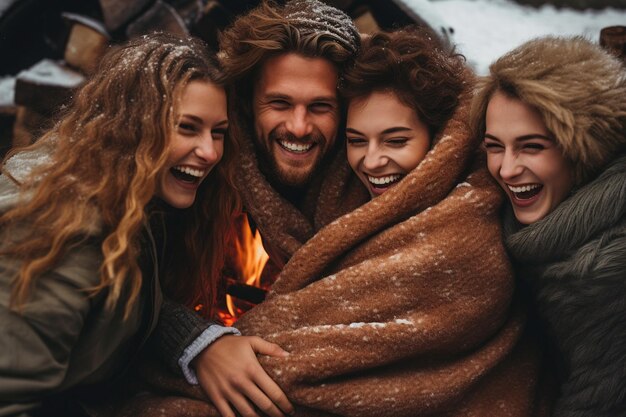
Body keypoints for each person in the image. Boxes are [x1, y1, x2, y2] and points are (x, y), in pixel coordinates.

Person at [0, 32, 289, 417]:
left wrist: (194, 341)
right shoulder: (63, 232)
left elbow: (118, 297)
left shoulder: (120, 193)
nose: (209, 152)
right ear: (132, 126)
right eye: (187, 128)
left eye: (217, 132)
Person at [471, 36, 626, 417]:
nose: (506, 169)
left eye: (532, 146)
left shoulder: (604, 277)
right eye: (494, 146)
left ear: (586, 147)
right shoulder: (533, 222)